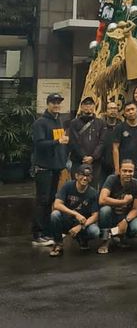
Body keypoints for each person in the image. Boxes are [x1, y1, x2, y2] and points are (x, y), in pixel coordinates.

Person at [31, 92, 69, 247]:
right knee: (42, 201)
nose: (56, 104)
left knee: (51, 200)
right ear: (48, 104)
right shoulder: (40, 123)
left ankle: (47, 232)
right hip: (43, 168)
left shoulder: (59, 120)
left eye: (58, 102)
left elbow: (59, 145)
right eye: (53, 102)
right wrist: (57, 141)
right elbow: (39, 144)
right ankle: (37, 234)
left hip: (56, 168)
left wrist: (63, 162)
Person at [49, 164, 100, 257]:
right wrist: (75, 214)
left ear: (91, 178)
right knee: (55, 215)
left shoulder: (93, 193)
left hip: (81, 223)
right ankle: (58, 244)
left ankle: (82, 239)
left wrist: (81, 226)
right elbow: (56, 204)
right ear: (76, 176)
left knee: (95, 231)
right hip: (67, 220)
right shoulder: (68, 186)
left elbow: (95, 216)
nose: (85, 178)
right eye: (82, 175)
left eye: (87, 176)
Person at [98, 159, 137, 254]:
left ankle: (119, 236)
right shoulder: (112, 179)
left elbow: (136, 209)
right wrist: (123, 202)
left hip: (126, 216)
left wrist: (125, 220)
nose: (127, 173)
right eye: (125, 171)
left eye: (130, 171)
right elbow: (102, 200)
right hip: (112, 215)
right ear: (119, 171)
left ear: (134, 172)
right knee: (105, 210)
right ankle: (105, 241)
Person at [68, 96, 106, 188]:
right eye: (85, 104)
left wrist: (93, 157)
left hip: (95, 163)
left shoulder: (101, 123)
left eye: (91, 104)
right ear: (81, 107)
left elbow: (102, 142)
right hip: (78, 161)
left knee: (93, 188)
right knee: (76, 186)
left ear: (94, 107)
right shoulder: (74, 123)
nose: (88, 107)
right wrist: (84, 156)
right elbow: (74, 142)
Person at [112, 101, 137, 181]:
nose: (130, 112)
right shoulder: (119, 128)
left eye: (132, 109)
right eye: (128, 110)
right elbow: (115, 148)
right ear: (125, 114)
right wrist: (117, 168)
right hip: (123, 168)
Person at [100, 100, 120, 185]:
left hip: (117, 164)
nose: (113, 110)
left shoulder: (122, 127)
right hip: (101, 165)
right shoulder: (100, 126)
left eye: (115, 108)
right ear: (106, 111)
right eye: (110, 108)